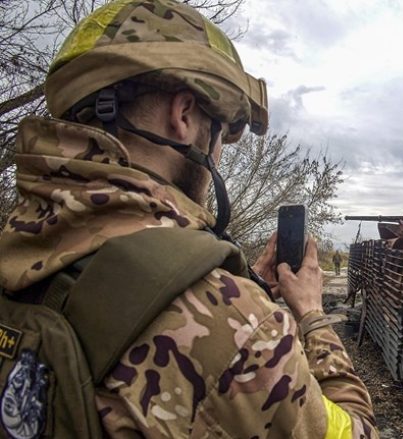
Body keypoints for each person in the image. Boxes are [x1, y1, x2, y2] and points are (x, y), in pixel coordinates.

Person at [0, 1, 376, 437]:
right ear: (183, 116)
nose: (217, 156)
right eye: (219, 135)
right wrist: (309, 313)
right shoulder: (235, 325)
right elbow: (358, 431)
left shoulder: (19, 246)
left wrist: (245, 287)